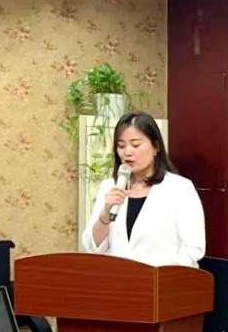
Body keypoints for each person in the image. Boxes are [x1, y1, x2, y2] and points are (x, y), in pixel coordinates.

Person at [80, 111, 205, 268]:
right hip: (118, 278)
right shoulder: (110, 186)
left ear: (156, 146)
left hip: (162, 280)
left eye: (136, 145)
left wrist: (166, 274)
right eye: (121, 146)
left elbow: (193, 247)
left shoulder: (179, 188)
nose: (127, 152)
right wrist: (105, 214)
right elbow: (93, 246)